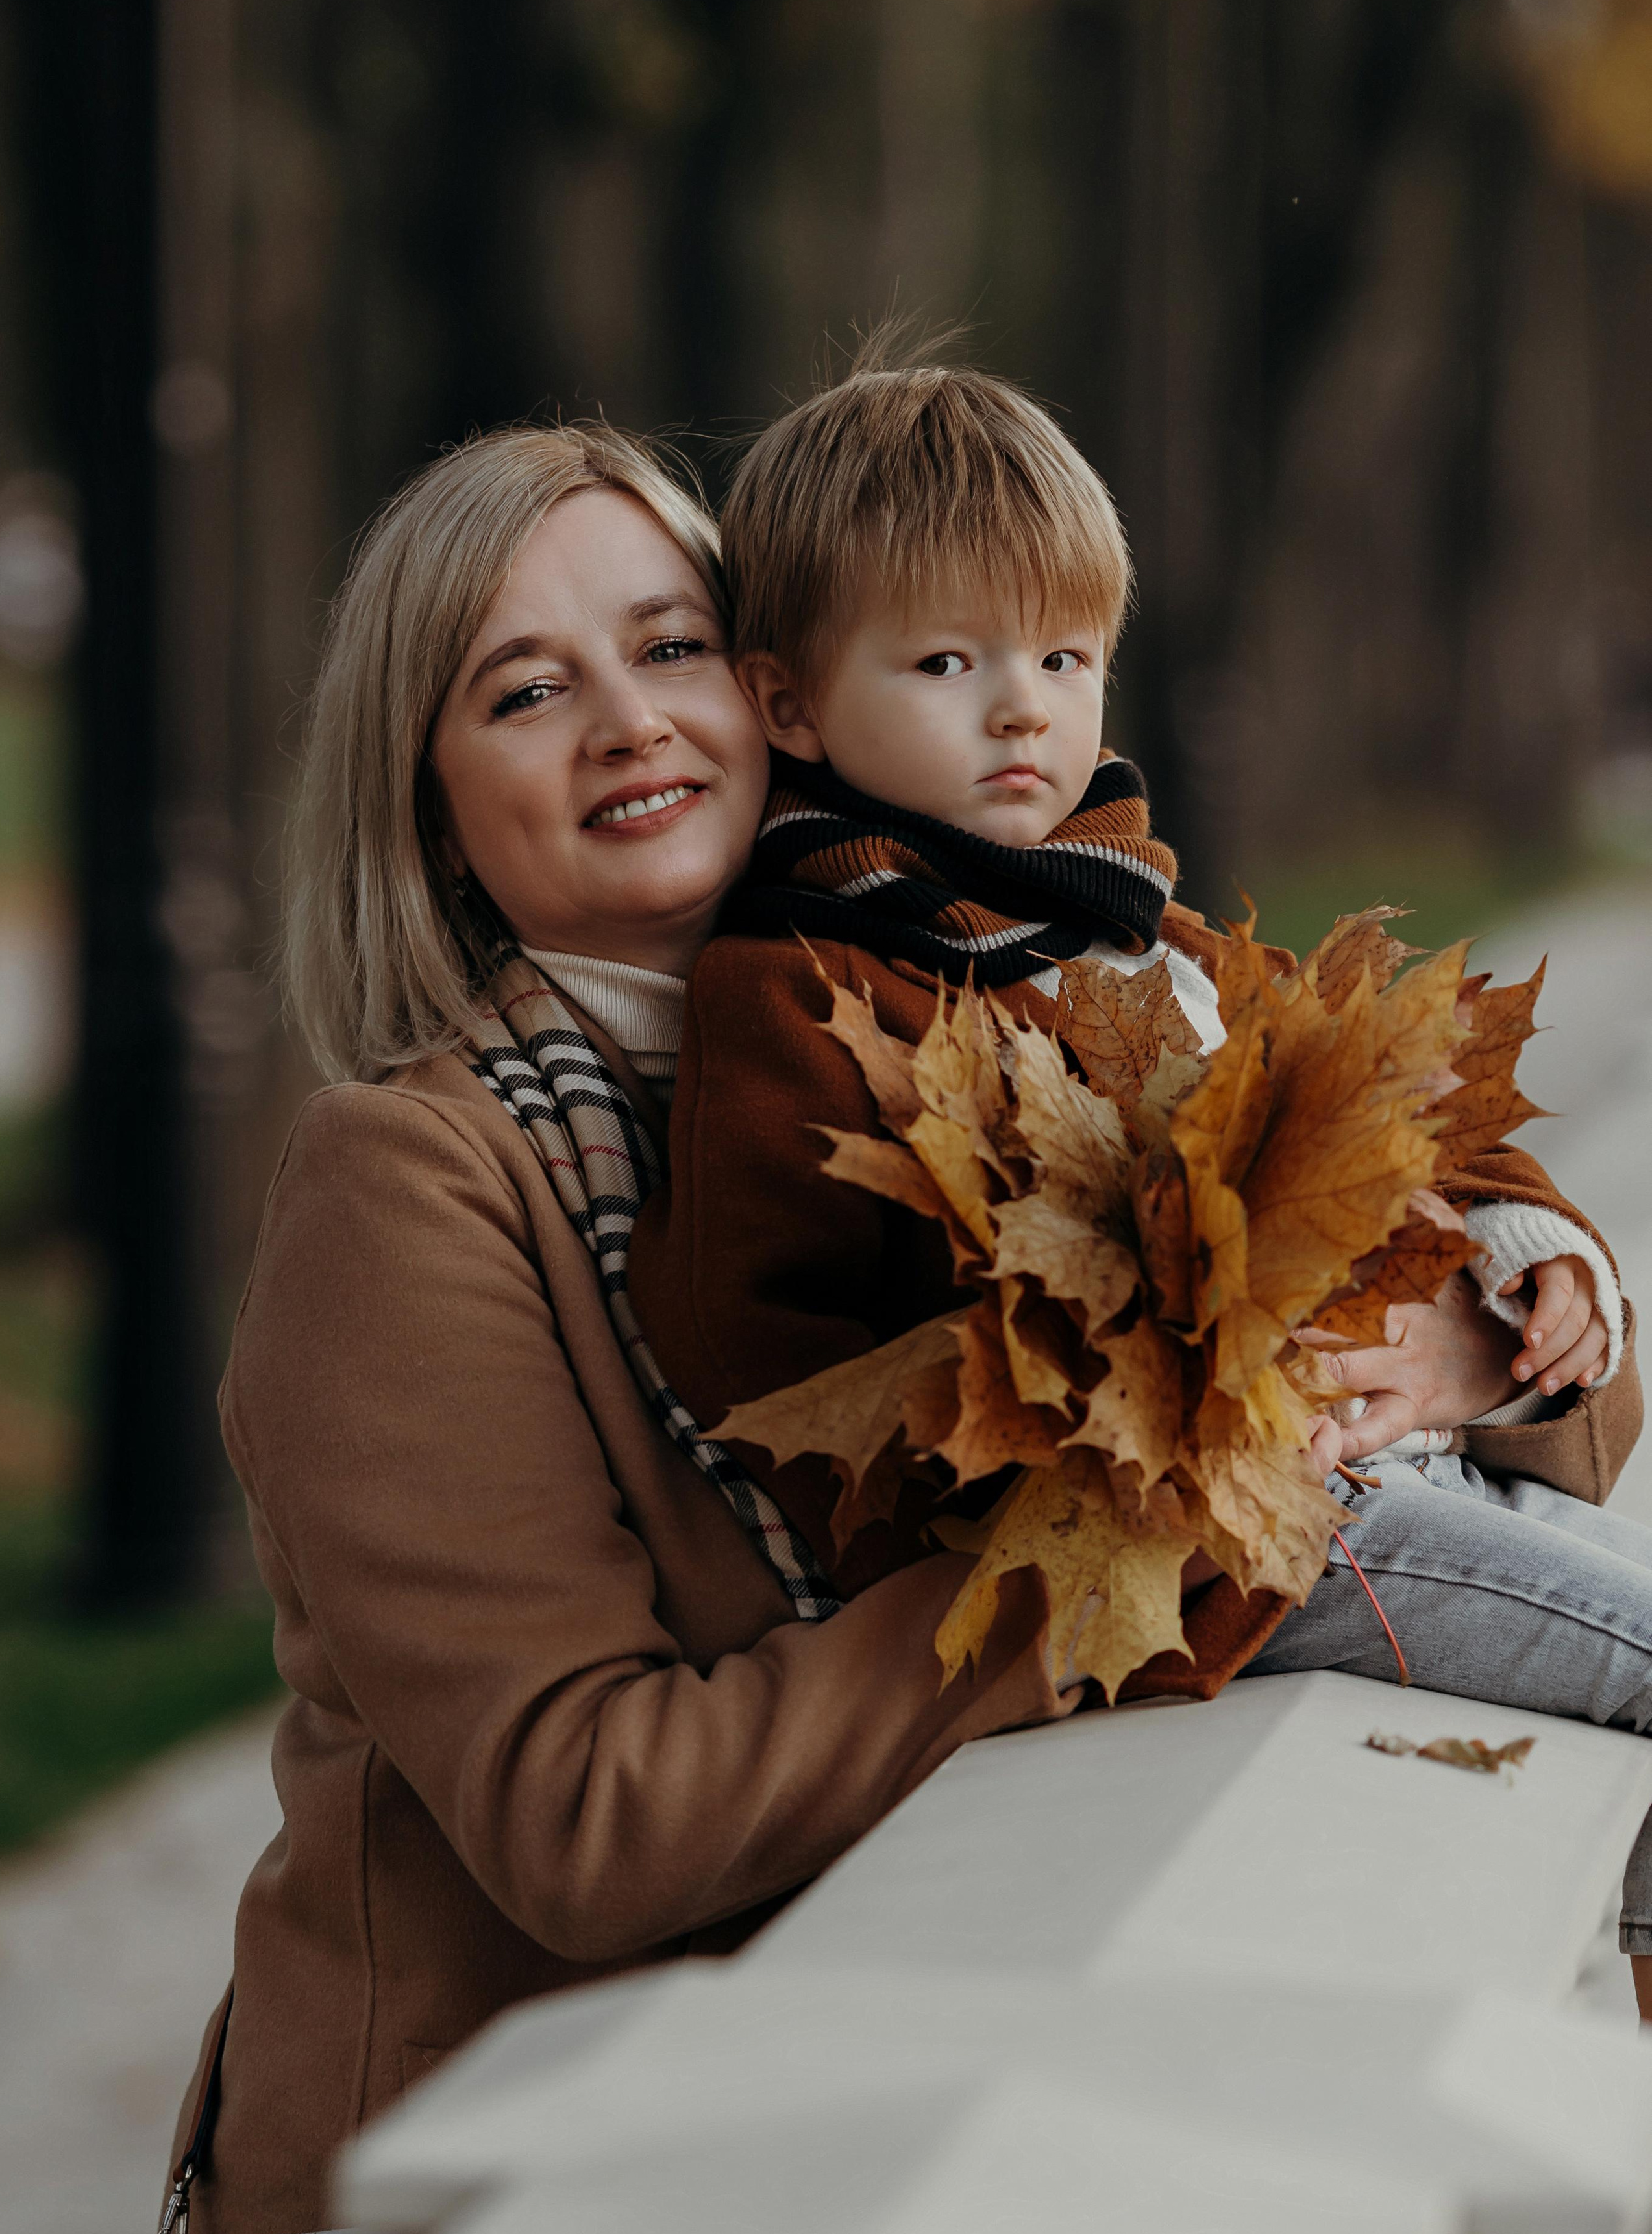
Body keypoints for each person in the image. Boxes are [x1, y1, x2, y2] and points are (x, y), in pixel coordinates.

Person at [169, 406, 1635, 2234]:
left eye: (667, 645)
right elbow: (585, 1813)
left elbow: (1472, 1304)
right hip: (516, 2232)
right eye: (527, 690)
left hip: (911, 2104)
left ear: (768, 684)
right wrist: (1148, 1536)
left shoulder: (980, 956)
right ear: (431, 802)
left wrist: (1467, 1346)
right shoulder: (409, 1188)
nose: (629, 719)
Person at [623, 354, 1652, 1946]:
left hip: (1405, 1469)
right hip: (1237, 1545)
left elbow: (1403, 1126)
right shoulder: (802, 989)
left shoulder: (1142, 933)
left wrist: (1528, 1264)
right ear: (787, 702)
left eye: (1061, 651)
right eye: (948, 660)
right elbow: (782, 1377)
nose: (1022, 704)